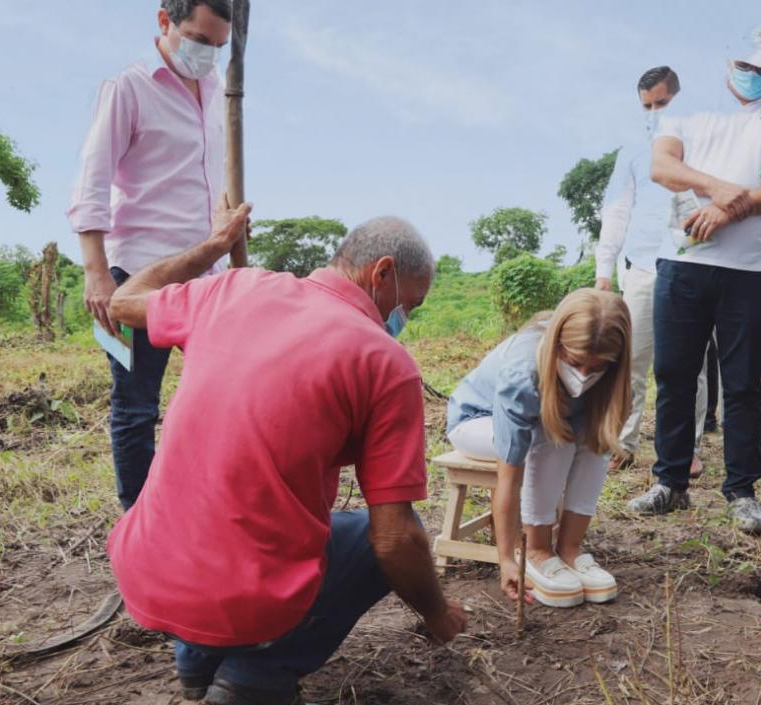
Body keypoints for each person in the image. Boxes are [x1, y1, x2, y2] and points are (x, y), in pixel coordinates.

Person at [106, 207, 466, 704]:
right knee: (380, 539)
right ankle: (257, 678)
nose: (403, 319)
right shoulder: (384, 363)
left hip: (147, 571)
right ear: (382, 273)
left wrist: (214, 246)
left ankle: (195, 658)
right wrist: (436, 611)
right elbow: (394, 539)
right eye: (411, 305)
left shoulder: (233, 289)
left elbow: (124, 300)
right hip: (241, 599)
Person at [625, 21, 761, 535]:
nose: (754, 76)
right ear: (727, 63)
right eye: (744, 67)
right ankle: (670, 482)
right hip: (684, 262)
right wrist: (720, 190)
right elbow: (663, 166)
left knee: (742, 383)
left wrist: (730, 212)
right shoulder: (686, 106)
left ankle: (742, 492)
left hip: (754, 270)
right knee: (672, 373)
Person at [67, 0, 232, 510]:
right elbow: (90, 186)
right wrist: (98, 277)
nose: (208, 55)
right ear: (164, 21)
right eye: (199, 40)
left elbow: (216, 184)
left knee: (223, 394)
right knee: (136, 406)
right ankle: (140, 528)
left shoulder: (218, 95)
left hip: (206, 276)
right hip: (134, 276)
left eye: (219, 46)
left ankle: (201, 508)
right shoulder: (129, 89)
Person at [447, 289, 632, 608]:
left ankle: (570, 548)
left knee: (596, 437)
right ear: (558, 345)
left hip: (546, 421)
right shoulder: (523, 375)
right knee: (552, 435)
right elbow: (510, 477)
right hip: (477, 420)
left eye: (597, 368)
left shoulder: (609, 374)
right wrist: (507, 558)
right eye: (575, 363)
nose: (584, 376)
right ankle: (537, 549)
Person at [594, 66, 707, 478]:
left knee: (686, 366)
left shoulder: (704, 145)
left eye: (662, 103)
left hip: (692, 265)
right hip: (641, 267)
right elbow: (616, 210)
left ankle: (687, 447)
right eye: (648, 106)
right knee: (631, 361)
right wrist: (604, 271)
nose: (655, 112)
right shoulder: (634, 152)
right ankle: (623, 443)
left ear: (679, 99)